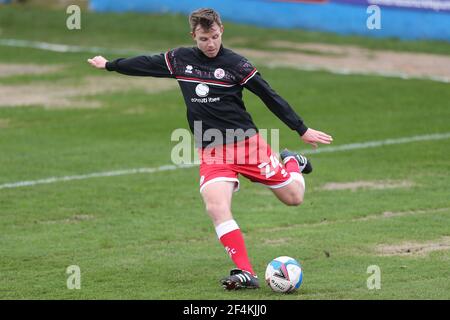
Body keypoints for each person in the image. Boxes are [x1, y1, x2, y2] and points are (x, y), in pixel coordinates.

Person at [88, 8, 333, 290]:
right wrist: (110, 65)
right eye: (204, 38)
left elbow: (269, 95)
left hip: (247, 146)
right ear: (194, 35)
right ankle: (245, 272)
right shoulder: (179, 59)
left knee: (294, 198)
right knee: (216, 207)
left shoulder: (237, 65)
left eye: (215, 37)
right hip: (212, 150)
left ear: (222, 31)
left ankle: (291, 161)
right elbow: (146, 63)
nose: (211, 44)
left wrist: (301, 129)